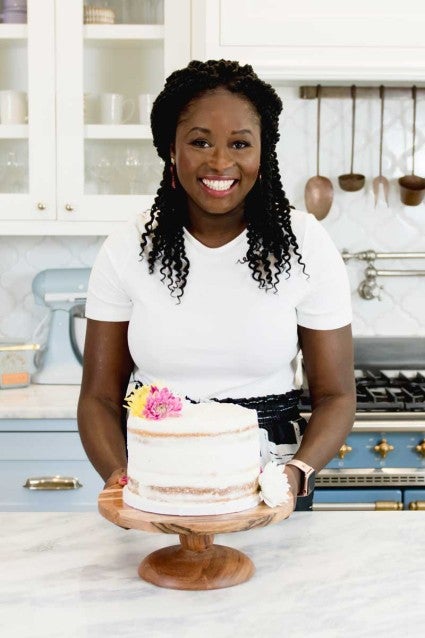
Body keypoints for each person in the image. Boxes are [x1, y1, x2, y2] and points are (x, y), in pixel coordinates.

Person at [77, 59, 356, 512]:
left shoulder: (306, 244)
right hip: (152, 478)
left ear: (263, 151)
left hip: (272, 478)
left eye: (240, 143)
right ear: (172, 149)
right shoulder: (126, 248)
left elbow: (337, 395)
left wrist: (297, 472)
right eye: (200, 141)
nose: (220, 162)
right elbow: (99, 398)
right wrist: (120, 480)